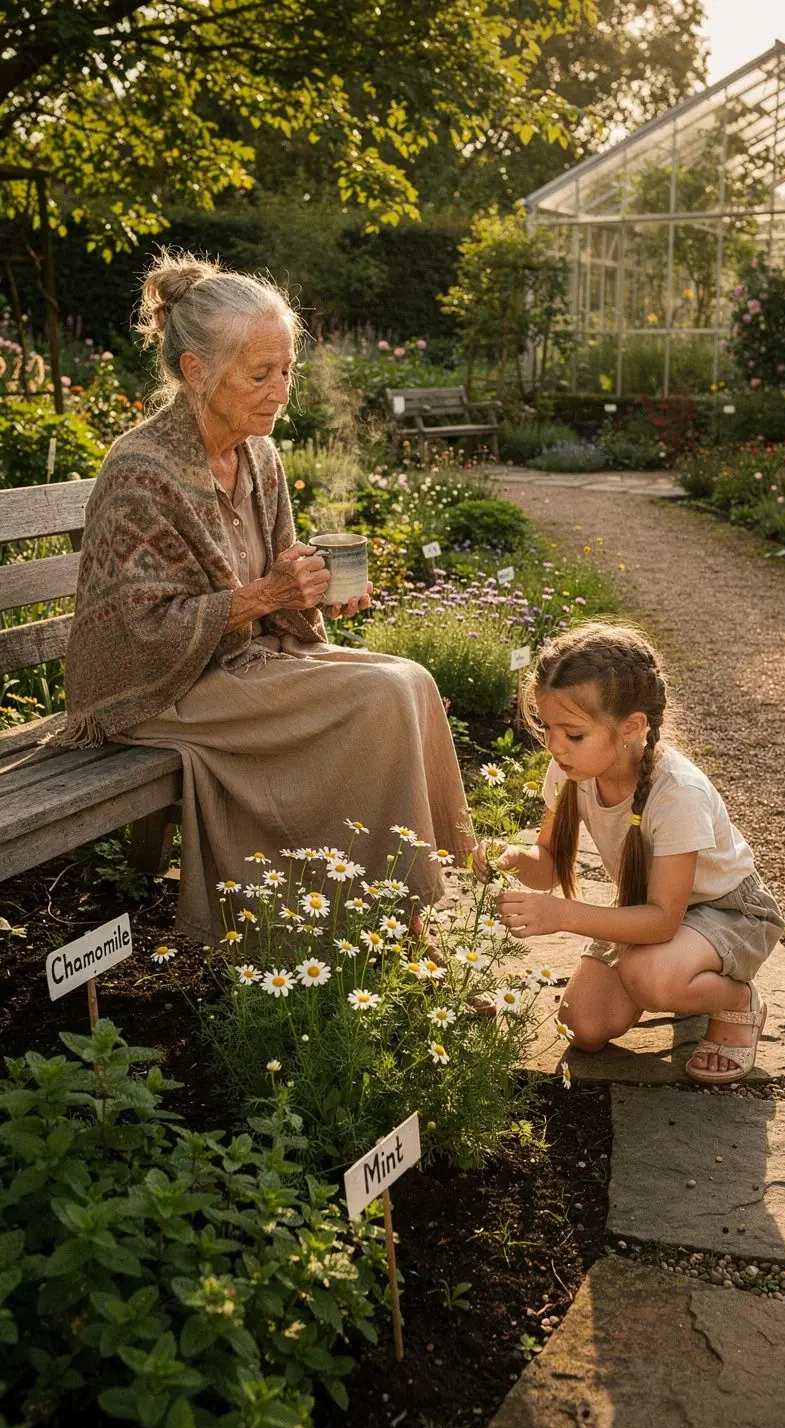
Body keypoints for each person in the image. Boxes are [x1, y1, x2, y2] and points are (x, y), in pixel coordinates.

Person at [59, 251, 472, 944]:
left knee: (414, 680)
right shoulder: (142, 469)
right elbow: (136, 634)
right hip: (159, 690)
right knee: (377, 701)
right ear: (196, 372)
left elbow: (277, 584)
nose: (281, 391)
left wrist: (308, 594)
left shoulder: (258, 455)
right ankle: (394, 925)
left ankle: (394, 901)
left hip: (240, 664)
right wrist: (264, 597)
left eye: (287, 370)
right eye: (261, 374)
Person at [474, 622, 784, 1084]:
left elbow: (661, 920)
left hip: (726, 911)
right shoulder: (572, 771)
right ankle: (683, 974)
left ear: (632, 727)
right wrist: (512, 860)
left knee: (650, 976)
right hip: (649, 907)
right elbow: (547, 868)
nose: (554, 746)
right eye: (547, 728)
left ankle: (735, 1001)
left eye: (573, 734)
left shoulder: (677, 795)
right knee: (585, 1027)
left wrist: (561, 915)